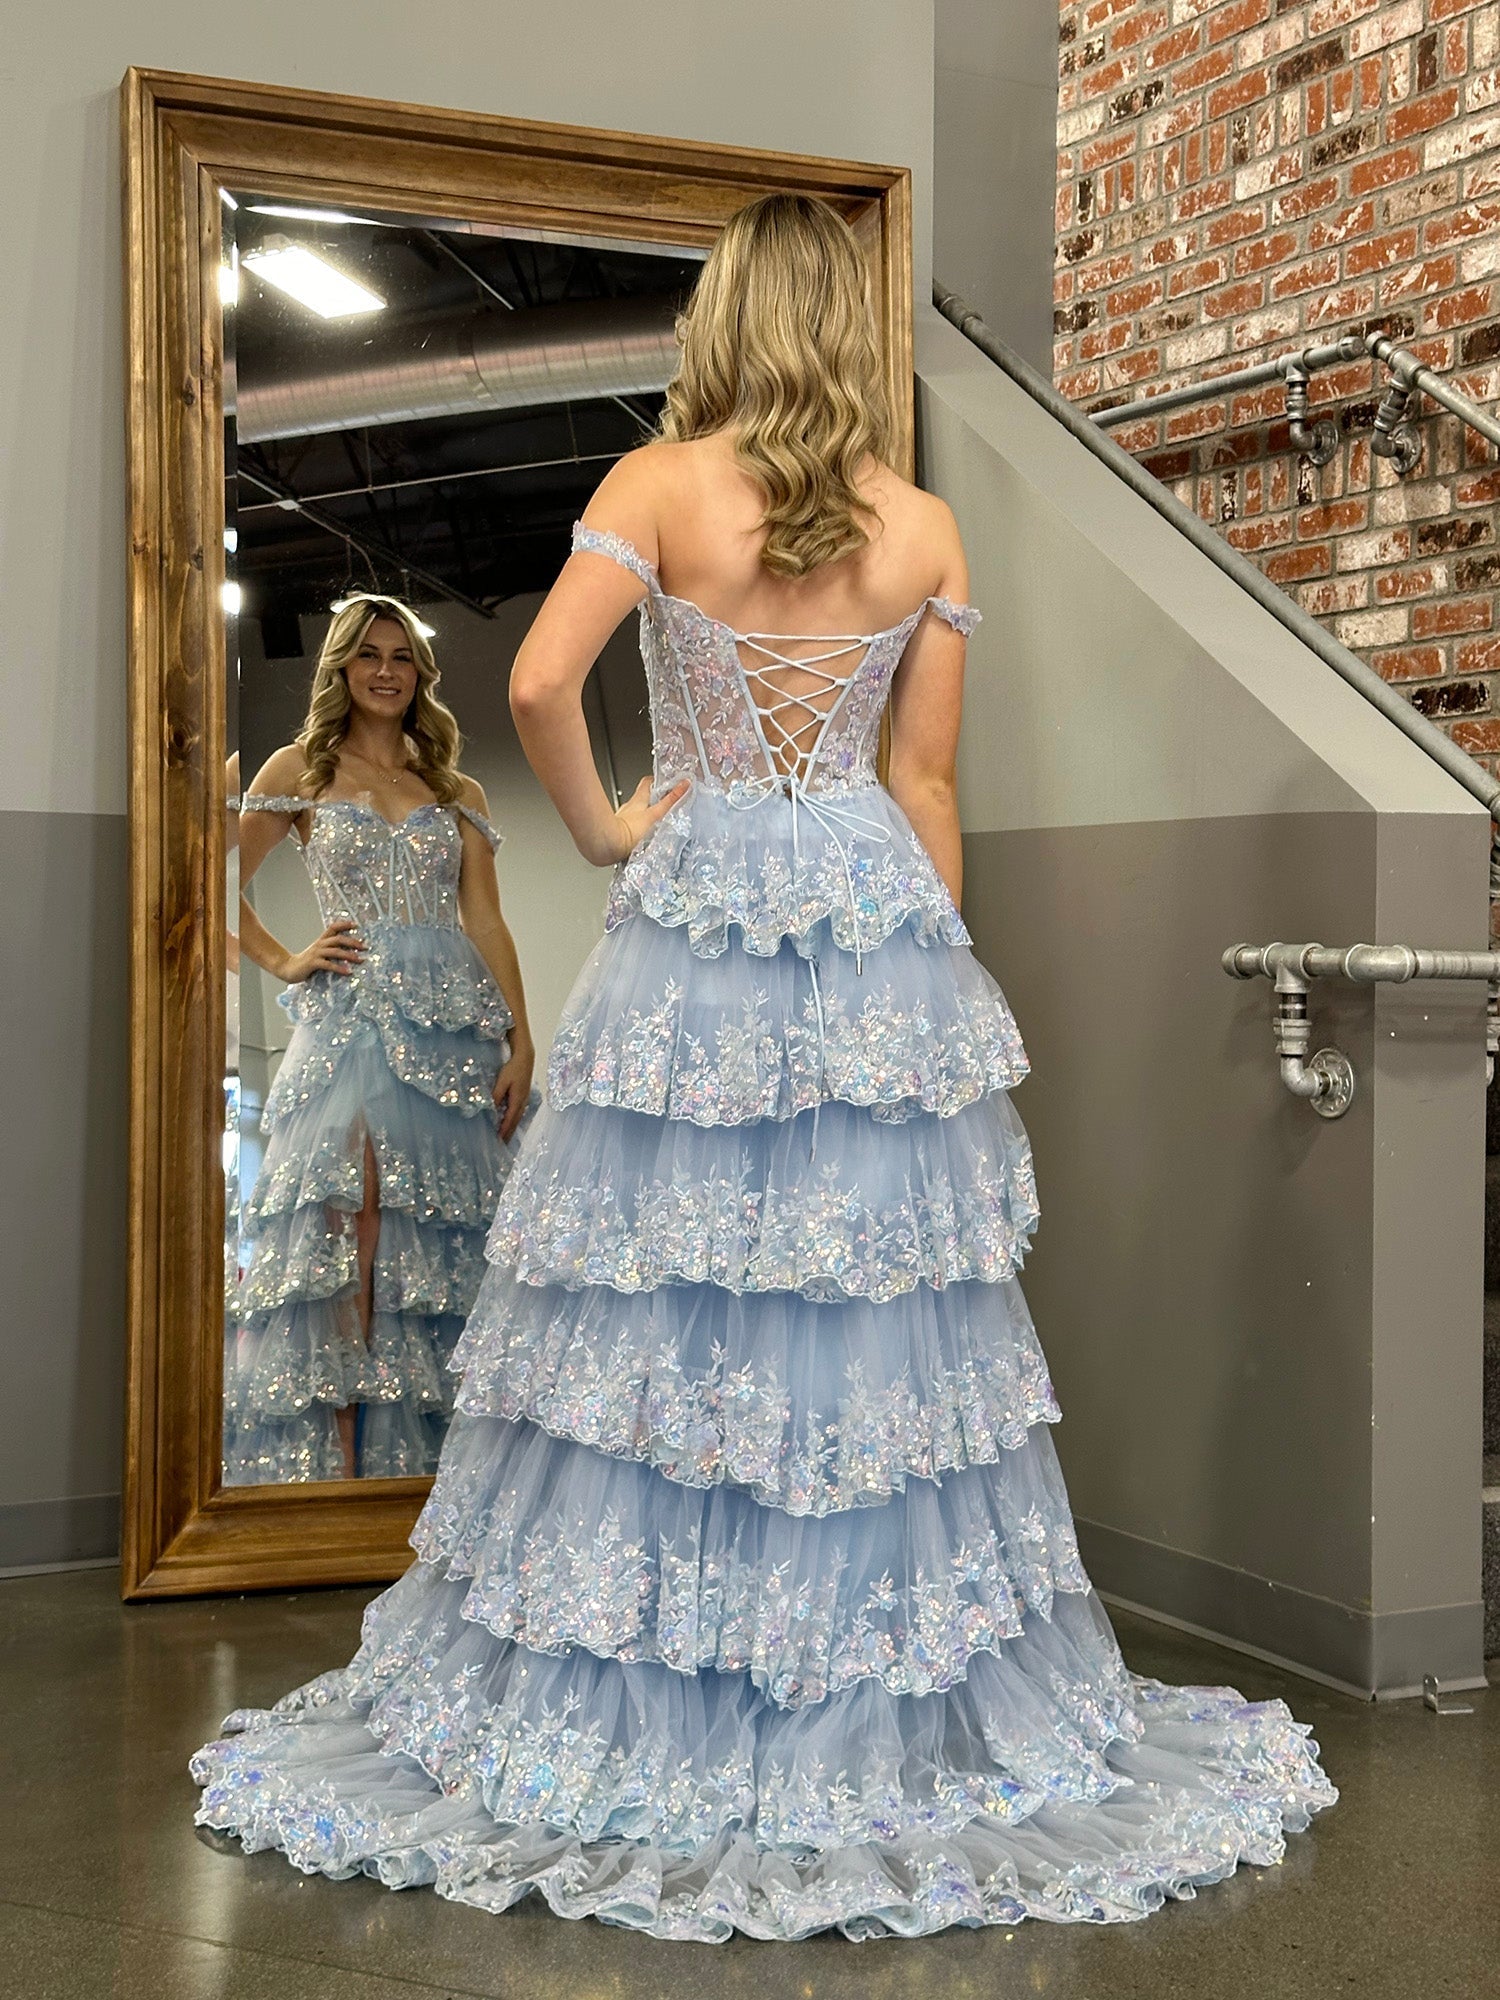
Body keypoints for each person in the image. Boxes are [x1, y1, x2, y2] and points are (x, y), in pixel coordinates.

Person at [192, 195, 1335, 1936]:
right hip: (873, 908)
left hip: (706, 895)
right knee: (861, 1304)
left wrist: (604, 829)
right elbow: (926, 782)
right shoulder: (925, 524)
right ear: (851, 331)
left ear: (727, 317)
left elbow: (549, 681)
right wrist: (929, 981)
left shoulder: (663, 486)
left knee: (666, 1286)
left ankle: (676, 1666)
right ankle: (859, 1684)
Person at [223, 594, 533, 1482]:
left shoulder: (456, 790)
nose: (387, 671)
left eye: (401, 656)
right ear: (342, 668)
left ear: (420, 674)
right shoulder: (300, 769)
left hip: (455, 1033)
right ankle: (350, 1471)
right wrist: (286, 960)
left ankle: (445, 1469)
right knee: (352, 1232)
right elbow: (211, 878)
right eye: (369, 655)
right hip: (350, 1025)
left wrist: (521, 1040)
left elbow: (485, 919)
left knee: (450, 1240)